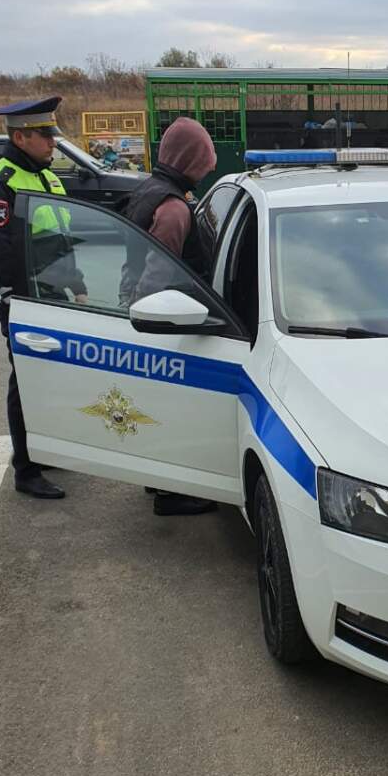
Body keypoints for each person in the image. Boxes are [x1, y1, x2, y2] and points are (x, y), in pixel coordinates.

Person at [0, 95, 86, 499]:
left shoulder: (47, 177)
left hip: (52, 293)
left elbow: (61, 240)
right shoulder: (0, 187)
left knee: (52, 375)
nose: (53, 144)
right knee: (26, 379)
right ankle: (26, 468)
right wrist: (22, 308)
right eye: (45, 137)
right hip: (20, 300)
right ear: (20, 137)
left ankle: (43, 449)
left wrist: (79, 284)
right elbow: (2, 258)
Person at [121, 116, 219, 516]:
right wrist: (153, 323)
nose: (210, 166)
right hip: (161, 321)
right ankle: (171, 492)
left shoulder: (149, 188)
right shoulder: (174, 209)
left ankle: (156, 479)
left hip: (139, 307)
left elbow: (134, 263)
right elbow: (156, 279)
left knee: (153, 402)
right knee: (169, 405)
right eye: (206, 159)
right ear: (191, 159)